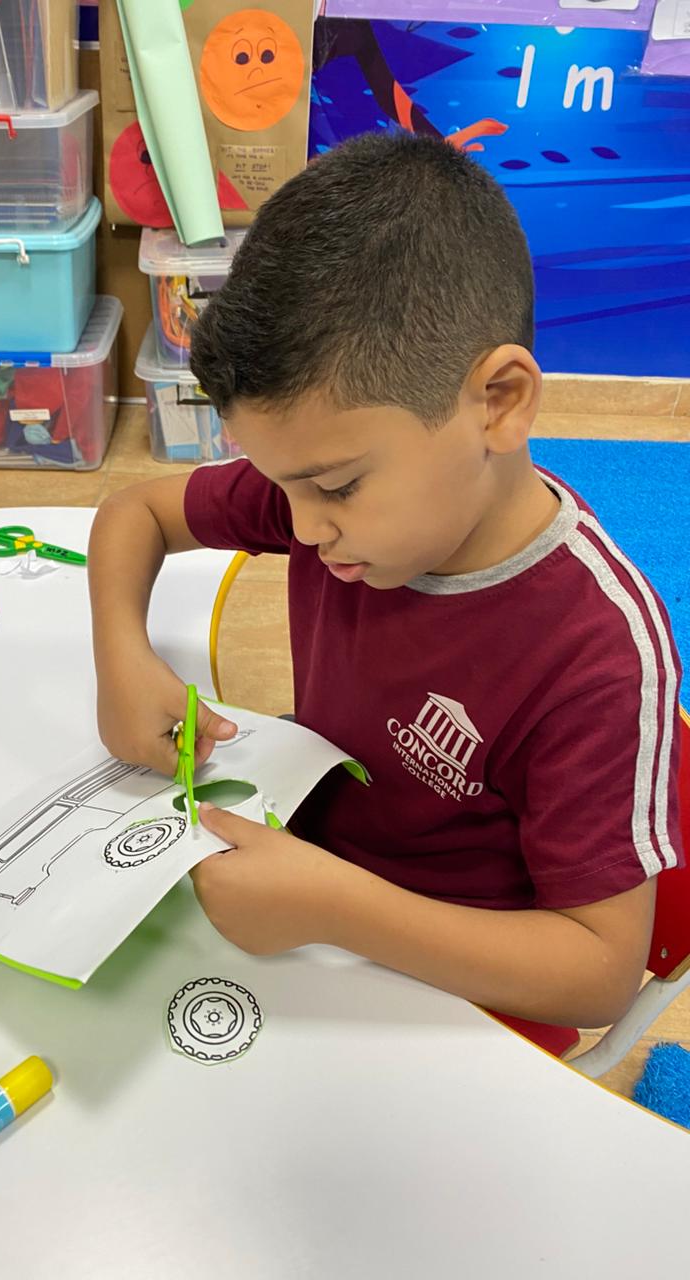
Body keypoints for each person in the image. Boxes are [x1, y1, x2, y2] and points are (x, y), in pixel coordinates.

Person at [88, 131, 683, 1032]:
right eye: (279, 482)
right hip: (309, 887)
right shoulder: (328, 472)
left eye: (334, 488)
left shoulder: (596, 654)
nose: (300, 527)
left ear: (499, 403)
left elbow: (598, 976)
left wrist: (335, 906)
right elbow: (133, 514)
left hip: (459, 992)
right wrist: (122, 658)